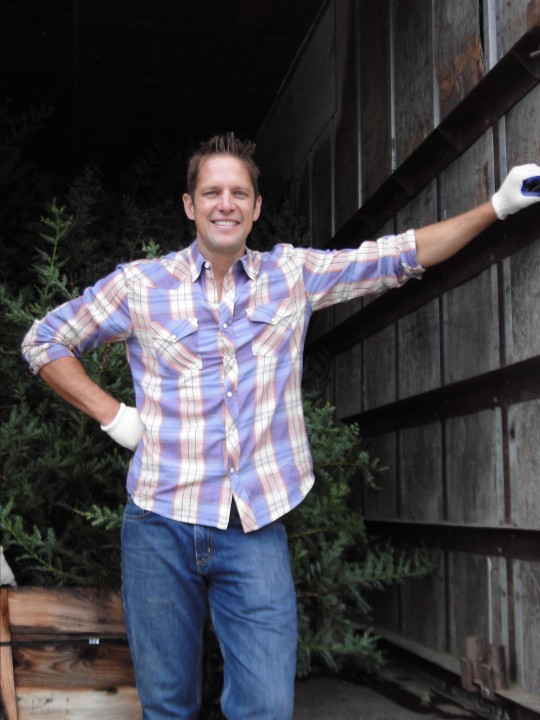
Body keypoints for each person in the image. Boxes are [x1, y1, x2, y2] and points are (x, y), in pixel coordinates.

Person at [21, 134, 539, 719]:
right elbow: (44, 340)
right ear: (189, 205)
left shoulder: (292, 275)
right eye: (211, 192)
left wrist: (497, 207)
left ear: (256, 207)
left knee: (266, 707)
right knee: (167, 707)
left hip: (255, 526)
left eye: (238, 193)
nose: (225, 203)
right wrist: (113, 415)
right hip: (158, 524)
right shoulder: (140, 285)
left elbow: (397, 255)